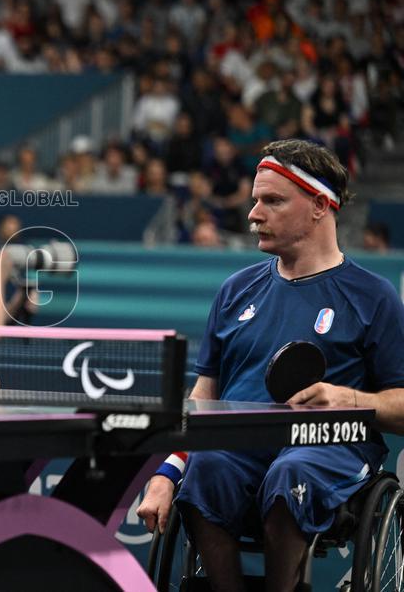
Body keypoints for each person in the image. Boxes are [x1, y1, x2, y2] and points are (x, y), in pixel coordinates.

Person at [137, 139, 404, 592]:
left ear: (320, 205)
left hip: (329, 448)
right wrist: (167, 471)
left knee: (290, 472)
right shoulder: (235, 290)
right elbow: (204, 397)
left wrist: (349, 398)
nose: (253, 214)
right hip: (241, 447)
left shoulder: (374, 296)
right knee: (205, 470)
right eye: (255, 200)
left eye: (272, 201)